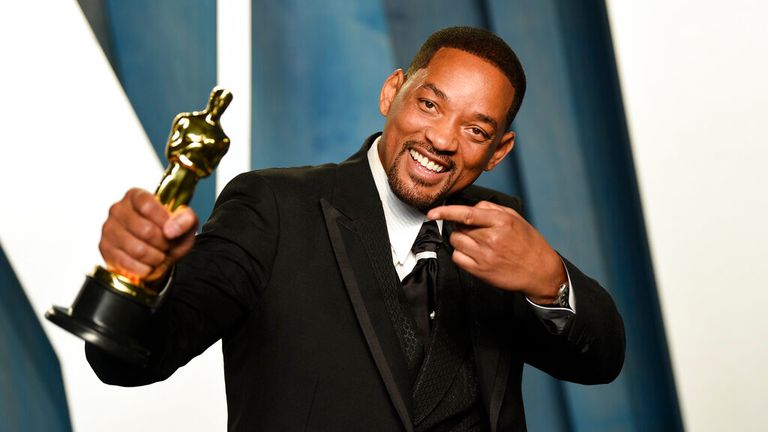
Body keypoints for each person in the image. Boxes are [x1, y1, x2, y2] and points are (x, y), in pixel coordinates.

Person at [87, 27, 625, 431]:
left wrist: (550, 280)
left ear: (498, 151)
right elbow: (134, 359)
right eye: (430, 104)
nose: (442, 139)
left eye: (476, 129)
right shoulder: (273, 206)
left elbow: (602, 361)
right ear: (393, 92)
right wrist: (137, 282)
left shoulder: (499, 232)